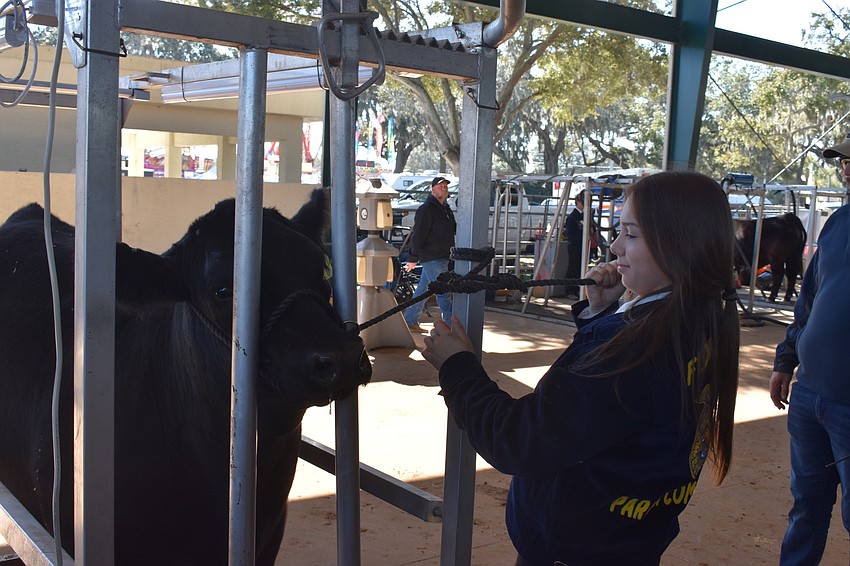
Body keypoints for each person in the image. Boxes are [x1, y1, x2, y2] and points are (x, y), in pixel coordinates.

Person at [422, 171, 740, 566]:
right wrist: (602, 313)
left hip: (571, 548)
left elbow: (520, 440)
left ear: (679, 245)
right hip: (627, 540)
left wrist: (457, 368)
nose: (616, 245)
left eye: (632, 234)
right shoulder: (698, 324)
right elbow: (608, 411)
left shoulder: (631, 351)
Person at [769, 133, 850, 565]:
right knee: (806, 507)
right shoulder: (839, 223)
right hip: (810, 396)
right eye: (844, 162)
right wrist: (786, 359)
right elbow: (810, 300)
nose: (847, 169)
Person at [402, 176, 456, 331]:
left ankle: (410, 319)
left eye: (445, 186)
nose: (444, 189)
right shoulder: (427, 209)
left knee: (423, 289)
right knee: (442, 291)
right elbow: (418, 235)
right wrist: (413, 258)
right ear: (433, 189)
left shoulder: (445, 208)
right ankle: (451, 326)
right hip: (433, 256)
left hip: (441, 255)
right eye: (440, 186)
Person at [564, 189, 598, 298]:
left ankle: (578, 290)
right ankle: (570, 291)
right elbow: (569, 234)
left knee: (580, 269)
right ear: (578, 202)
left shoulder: (585, 216)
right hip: (575, 247)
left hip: (583, 246)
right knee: (573, 268)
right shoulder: (572, 217)